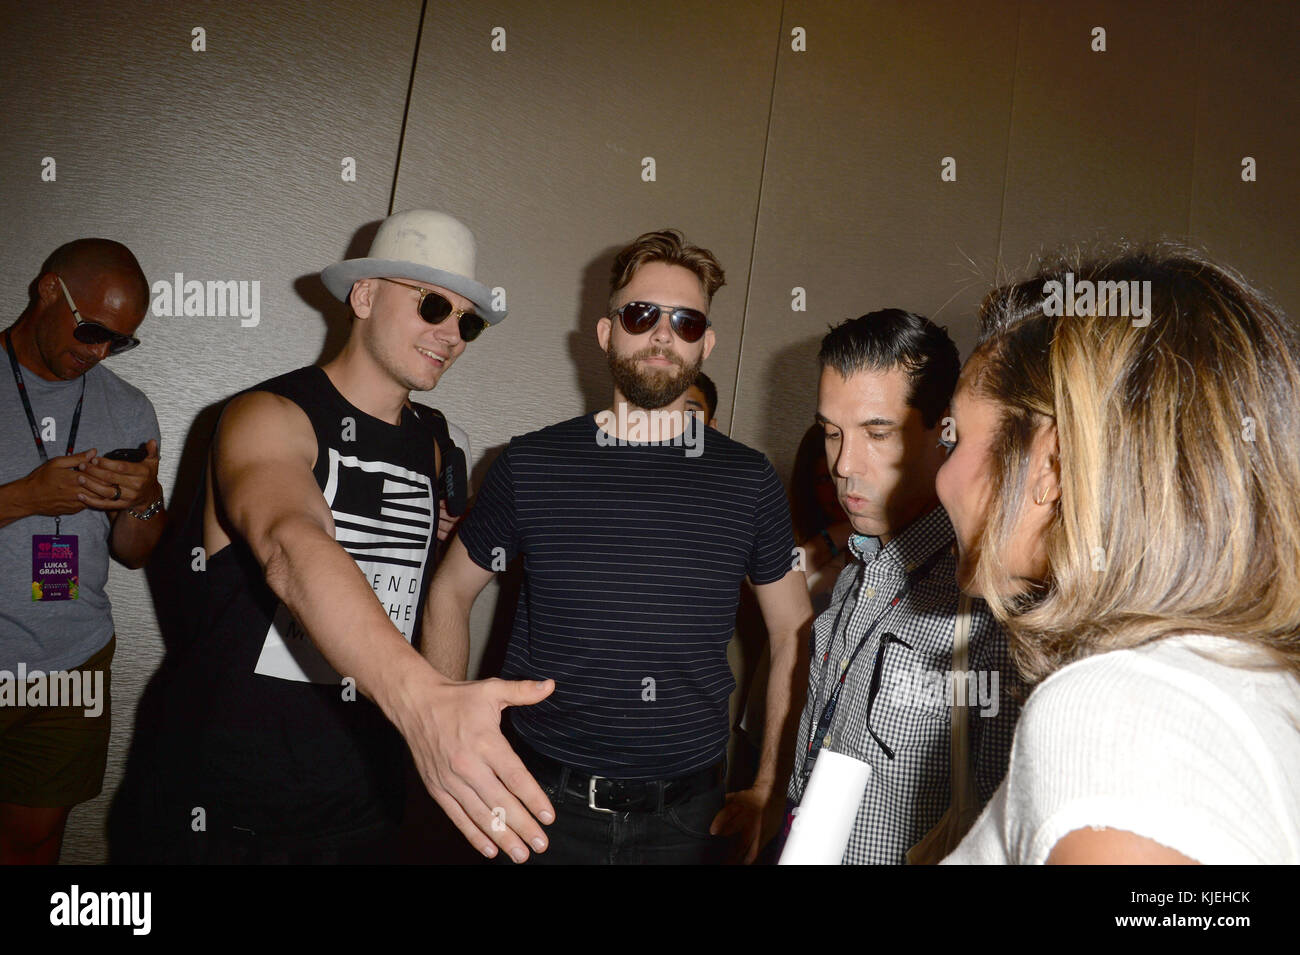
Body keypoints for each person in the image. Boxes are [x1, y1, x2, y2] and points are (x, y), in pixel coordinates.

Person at [117, 210, 558, 864]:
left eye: (466, 320)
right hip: (218, 808)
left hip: (359, 810)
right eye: (432, 303)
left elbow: (430, 598)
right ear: (365, 294)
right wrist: (425, 703)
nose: (451, 334)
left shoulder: (437, 445)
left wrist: (435, 746)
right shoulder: (267, 417)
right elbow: (292, 544)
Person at [423, 229, 812, 864]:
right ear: (607, 333)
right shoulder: (531, 465)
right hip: (535, 805)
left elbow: (794, 627)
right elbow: (448, 592)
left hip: (689, 823)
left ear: (705, 345)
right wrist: (445, 735)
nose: (664, 334)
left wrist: (770, 783)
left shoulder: (748, 481)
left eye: (686, 323)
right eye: (642, 314)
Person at [939, 246, 1300, 864]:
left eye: (955, 436)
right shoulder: (1240, 682)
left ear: (1049, 465)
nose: (941, 478)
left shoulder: (1116, 713)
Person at [780, 309, 1018, 865]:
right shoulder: (857, 570)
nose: (843, 464)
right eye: (831, 433)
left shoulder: (987, 603)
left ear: (945, 429)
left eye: (876, 433)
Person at [0, 238, 164, 863]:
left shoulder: (129, 408)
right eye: (92, 330)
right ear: (48, 290)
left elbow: (137, 552)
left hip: (73, 660)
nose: (97, 353)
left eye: (117, 342)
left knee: (36, 839)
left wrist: (143, 500)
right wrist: (25, 498)